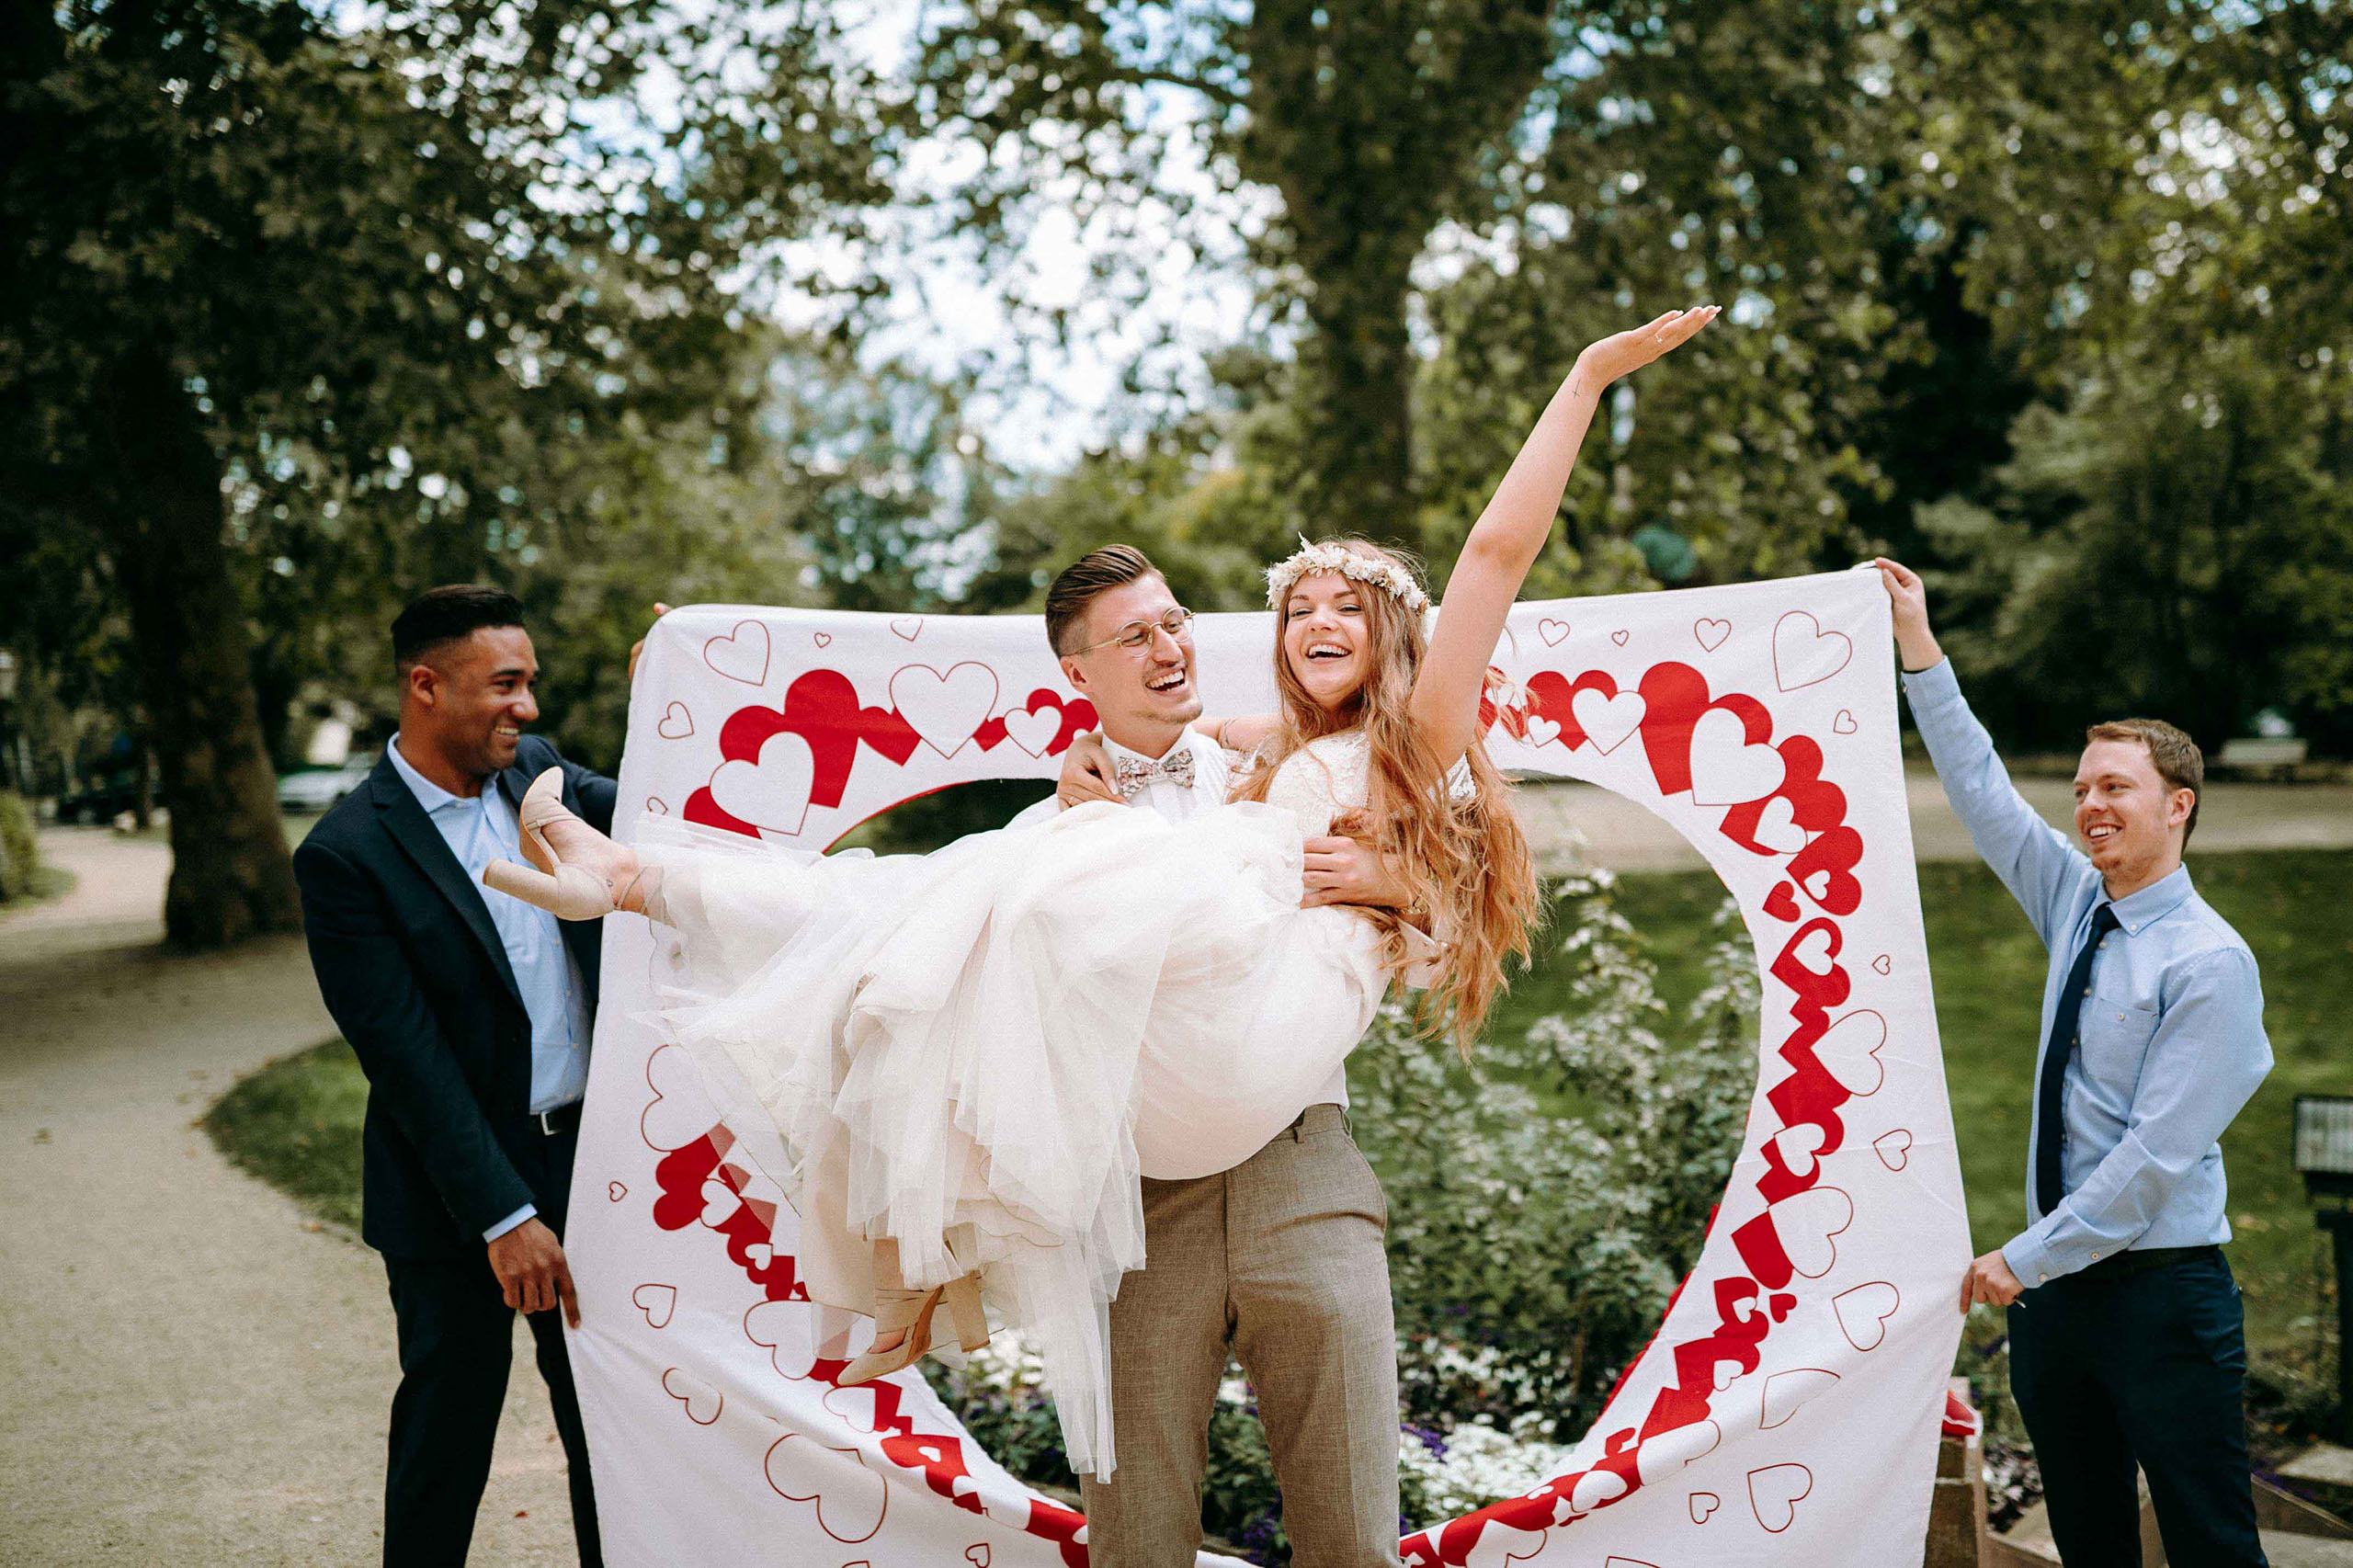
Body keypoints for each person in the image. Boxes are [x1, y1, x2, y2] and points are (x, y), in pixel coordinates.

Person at [484, 305, 1718, 1486]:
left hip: (1264, 1061)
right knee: (949, 897)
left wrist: (1585, 380)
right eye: (1300, 607)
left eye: (1350, 607)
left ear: (1402, 638)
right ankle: (643, 888)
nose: (1318, 619)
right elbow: (1160, 773)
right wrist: (700, 661)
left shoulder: (1409, 744)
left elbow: (1494, 557)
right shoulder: (1253, 755)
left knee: (983, 889)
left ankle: (662, 910)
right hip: (1177, 1086)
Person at [1025, 544, 1424, 1567]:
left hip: (1304, 1166)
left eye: (1175, 621)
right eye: (1134, 636)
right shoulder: (1046, 833)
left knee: (1355, 1536)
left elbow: (1445, 943)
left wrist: (1396, 886)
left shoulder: (1291, 773)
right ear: (1077, 672)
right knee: (1135, 1541)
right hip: (1139, 1204)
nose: (1169, 648)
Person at [1877, 559, 2272, 1567]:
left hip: (2161, 1299)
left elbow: (2153, 1160)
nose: (2091, 804)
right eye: (2084, 787)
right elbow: (1983, 791)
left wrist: (2021, 1260)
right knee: (2089, 1547)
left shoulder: (2210, 963)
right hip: (2059, 1303)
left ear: (2178, 805)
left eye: (2116, 788)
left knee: (2214, 1546)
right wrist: (1918, 645)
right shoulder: (2075, 899)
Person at [292, 585, 611, 1567]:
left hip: (589, 1163)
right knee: (447, 1435)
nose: (528, 707)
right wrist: (503, 1217)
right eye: (505, 684)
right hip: (450, 1197)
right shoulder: (345, 854)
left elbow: (675, 804)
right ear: (426, 686)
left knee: (611, 1434)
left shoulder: (542, 776)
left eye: (530, 683)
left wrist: (678, 678)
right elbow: (406, 1058)